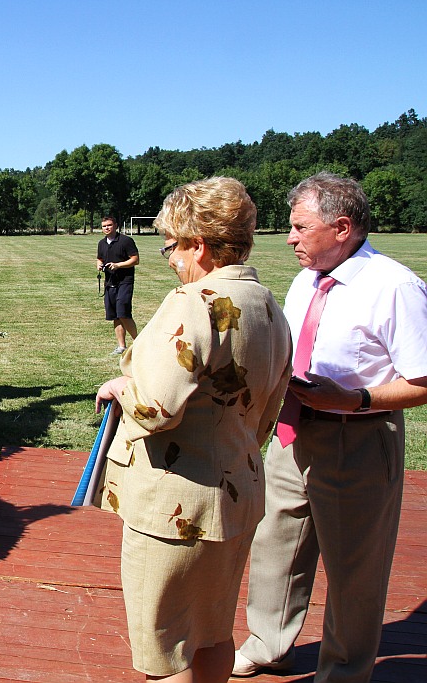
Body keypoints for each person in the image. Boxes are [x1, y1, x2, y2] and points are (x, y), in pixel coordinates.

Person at [96, 177, 291, 682]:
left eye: (172, 248)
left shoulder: (193, 301)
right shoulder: (271, 305)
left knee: (166, 653)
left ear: (199, 245)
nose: (172, 261)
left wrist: (120, 387)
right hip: (239, 496)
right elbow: (268, 411)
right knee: (213, 634)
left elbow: (158, 407)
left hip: (175, 510)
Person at [233, 172, 427, 682]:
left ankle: (344, 670)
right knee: (275, 543)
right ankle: (268, 643)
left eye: (299, 227)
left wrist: (355, 399)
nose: (290, 237)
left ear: (342, 227)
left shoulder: (396, 286)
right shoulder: (306, 280)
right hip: (294, 433)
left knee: (353, 570)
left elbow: (424, 380)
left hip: (359, 438)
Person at [96, 216, 139, 355]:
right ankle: (121, 346)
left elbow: (135, 260)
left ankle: (138, 343)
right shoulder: (102, 243)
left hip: (125, 281)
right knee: (115, 315)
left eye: (109, 225)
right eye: (104, 226)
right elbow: (100, 258)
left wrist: (118, 265)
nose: (106, 228)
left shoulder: (126, 241)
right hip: (110, 282)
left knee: (123, 313)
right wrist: (99, 264)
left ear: (115, 225)